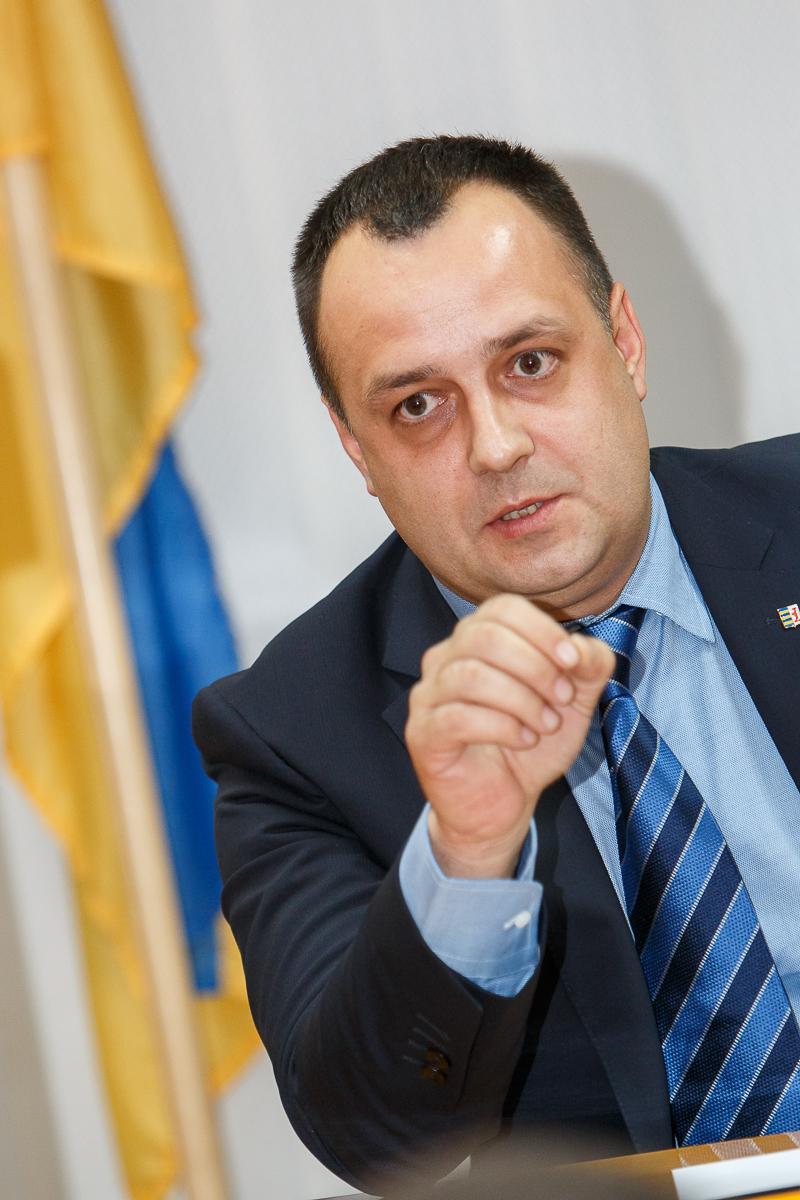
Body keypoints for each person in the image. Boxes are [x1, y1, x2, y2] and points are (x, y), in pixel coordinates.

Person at [193, 136, 800, 1194]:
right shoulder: (293, 734)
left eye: (529, 362)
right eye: (416, 406)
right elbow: (374, 1140)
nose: (495, 445)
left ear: (624, 343)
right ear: (356, 448)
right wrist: (467, 852)